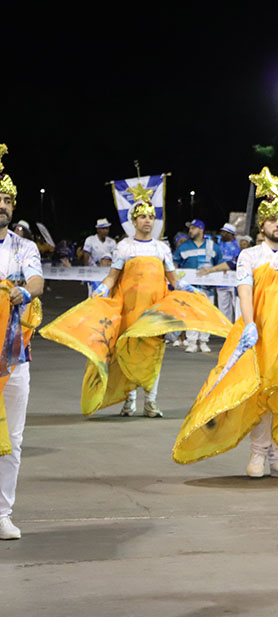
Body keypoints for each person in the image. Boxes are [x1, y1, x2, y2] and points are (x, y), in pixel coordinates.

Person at [172, 167, 278, 478]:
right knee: (259, 392)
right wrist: (249, 324)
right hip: (259, 334)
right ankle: (257, 455)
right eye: (272, 220)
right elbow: (244, 291)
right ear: (262, 224)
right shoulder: (249, 256)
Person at [40, 184, 228, 418]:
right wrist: (100, 290)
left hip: (154, 314)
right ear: (134, 221)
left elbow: (174, 281)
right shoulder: (124, 247)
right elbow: (112, 277)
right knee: (126, 354)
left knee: (153, 355)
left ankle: (151, 402)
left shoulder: (161, 248)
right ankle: (129, 402)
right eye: (142, 217)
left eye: (151, 216)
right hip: (129, 311)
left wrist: (192, 290)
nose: (148, 220)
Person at [0, 146, 45, 540]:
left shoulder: (24, 246)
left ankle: (2, 513)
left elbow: (36, 280)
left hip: (15, 354)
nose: (2, 205)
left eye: (8, 200)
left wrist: (25, 294)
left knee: (12, 438)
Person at [173, 219, 221, 353]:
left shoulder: (212, 246)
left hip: (208, 288)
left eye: (193, 228)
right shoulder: (184, 247)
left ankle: (204, 341)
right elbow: (175, 263)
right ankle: (192, 341)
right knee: (191, 314)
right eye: (190, 228)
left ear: (201, 230)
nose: (190, 231)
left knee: (206, 314)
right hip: (190, 288)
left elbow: (220, 262)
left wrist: (213, 271)